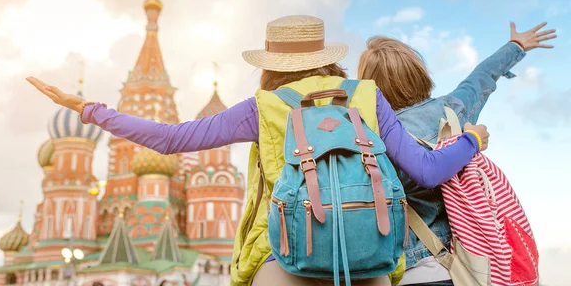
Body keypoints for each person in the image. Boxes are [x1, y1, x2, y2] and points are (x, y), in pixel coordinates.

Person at [27, 15, 490, 286]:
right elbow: (428, 171)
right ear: (327, 55)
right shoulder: (366, 97)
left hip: (284, 258)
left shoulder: (264, 107)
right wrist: (472, 140)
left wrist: (90, 110)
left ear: (272, 64)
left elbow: (170, 139)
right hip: (369, 256)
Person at [357, 21, 556, 286]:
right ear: (418, 72)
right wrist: (516, 46)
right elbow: (482, 76)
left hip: (410, 268)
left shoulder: (373, 136)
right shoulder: (454, 109)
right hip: (472, 264)